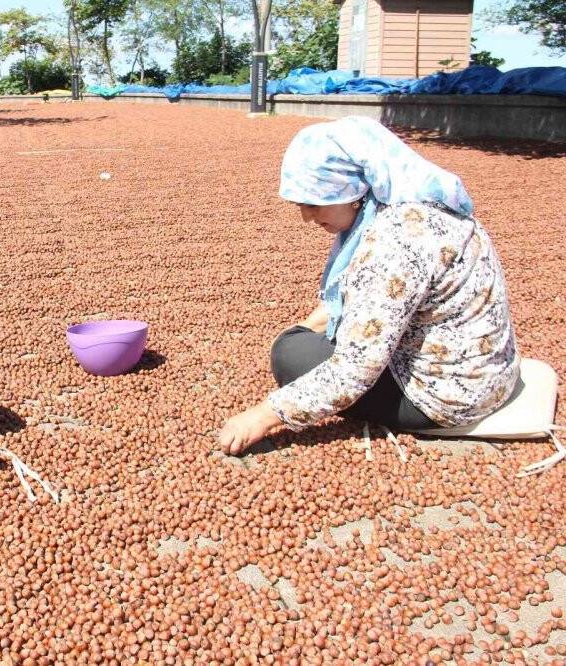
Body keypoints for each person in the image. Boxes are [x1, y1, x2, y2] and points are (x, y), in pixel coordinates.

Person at [218, 116, 519, 455]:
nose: (307, 217)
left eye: (313, 204)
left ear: (352, 190)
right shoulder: (422, 200)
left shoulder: (394, 242)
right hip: (491, 374)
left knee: (290, 355)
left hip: (449, 397)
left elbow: (354, 372)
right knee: (300, 340)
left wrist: (261, 417)